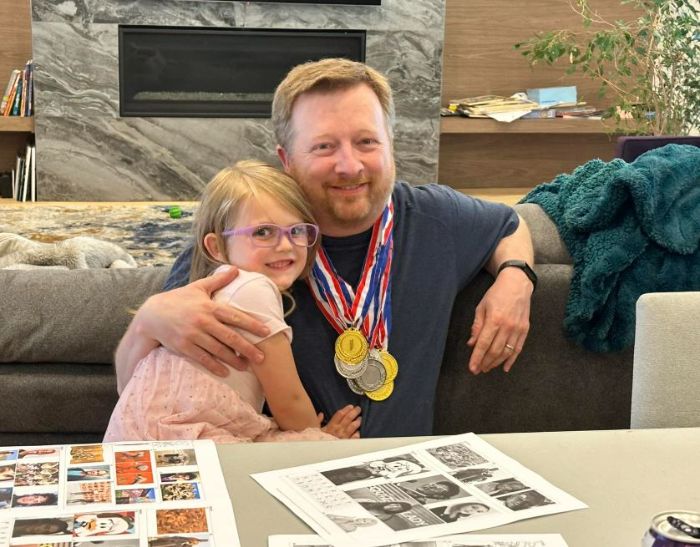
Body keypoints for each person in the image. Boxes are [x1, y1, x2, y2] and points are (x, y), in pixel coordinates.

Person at [115, 58, 536, 437]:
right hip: (276, 475)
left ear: (391, 145)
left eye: (367, 142)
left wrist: (517, 277)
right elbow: (138, 389)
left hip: (408, 474)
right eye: (324, 146)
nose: (349, 166)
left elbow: (511, 223)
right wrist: (146, 322)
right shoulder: (237, 247)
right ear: (286, 159)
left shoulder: (437, 217)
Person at [105, 161, 361, 443]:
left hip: (132, 438)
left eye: (296, 230)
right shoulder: (254, 289)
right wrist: (321, 439)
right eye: (263, 232)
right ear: (216, 247)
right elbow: (289, 401)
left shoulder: (208, 291)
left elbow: (129, 385)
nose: (286, 245)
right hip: (186, 440)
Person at [397, 479, 461, 503]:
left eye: (434, 488)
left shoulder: (419, 501)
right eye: (432, 484)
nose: (428, 486)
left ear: (437, 496)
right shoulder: (407, 489)